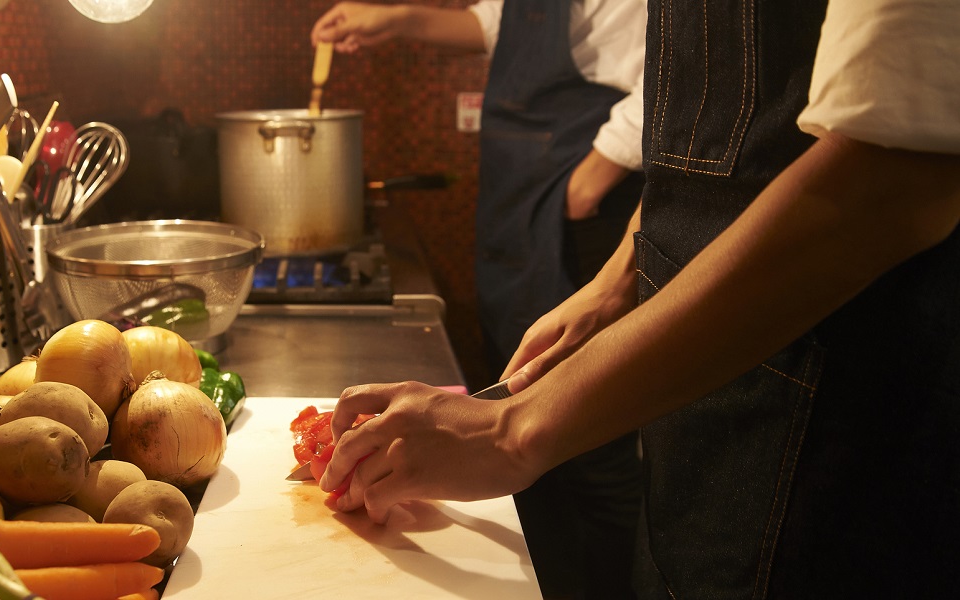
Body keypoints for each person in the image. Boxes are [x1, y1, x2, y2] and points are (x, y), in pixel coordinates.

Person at [319, 0, 960, 597]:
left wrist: (511, 432)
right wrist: (620, 279)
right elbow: (704, 141)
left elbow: (895, 174)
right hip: (695, 381)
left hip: (831, 412)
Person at [313, 2, 646, 597]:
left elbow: (674, 72)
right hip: (520, 217)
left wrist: (595, 175)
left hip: (580, 222)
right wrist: (394, 20)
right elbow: (505, 21)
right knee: (524, 403)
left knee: (590, 450)